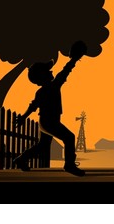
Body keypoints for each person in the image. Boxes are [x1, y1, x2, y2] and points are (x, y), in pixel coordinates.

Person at [13, 41, 88, 177]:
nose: (51, 71)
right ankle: (69, 165)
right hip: (50, 122)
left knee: (43, 145)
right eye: (48, 71)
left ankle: (21, 159)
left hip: (45, 122)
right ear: (42, 76)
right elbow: (65, 71)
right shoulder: (53, 86)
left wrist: (24, 117)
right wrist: (74, 60)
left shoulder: (41, 91)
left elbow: (33, 105)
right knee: (69, 137)